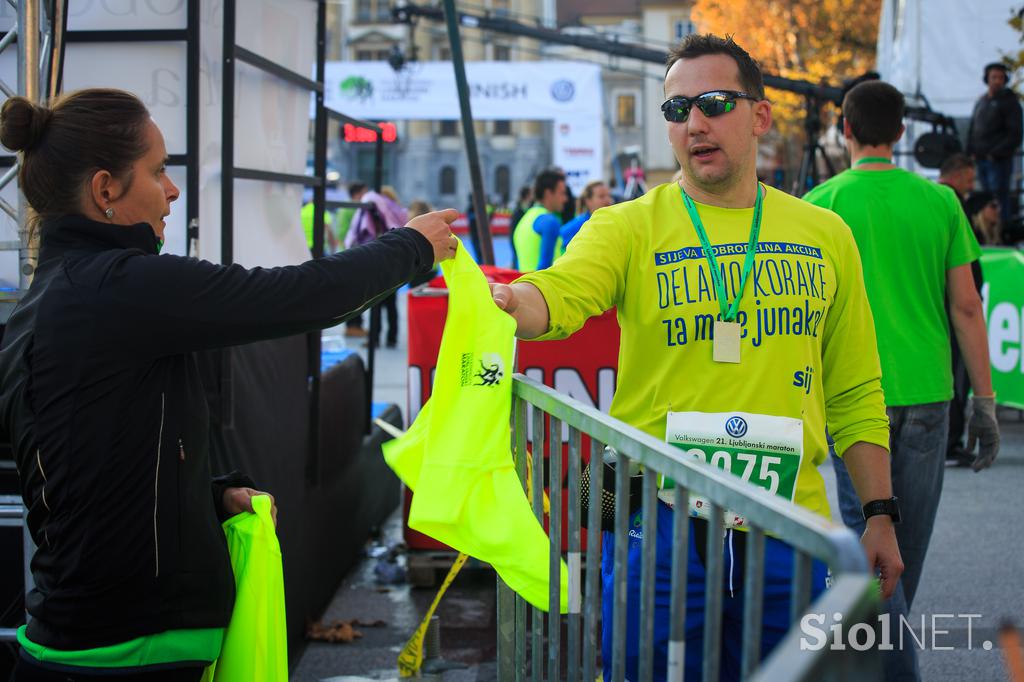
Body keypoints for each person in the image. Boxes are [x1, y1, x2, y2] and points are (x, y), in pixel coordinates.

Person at [0, 88, 457, 681]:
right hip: (129, 651)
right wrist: (411, 245)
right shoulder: (120, 287)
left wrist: (206, 498)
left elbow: (89, 464)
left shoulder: (50, 303)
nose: (172, 191)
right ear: (105, 189)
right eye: (158, 171)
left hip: (90, 639)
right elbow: (298, 294)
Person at [491, 34, 901, 681]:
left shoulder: (824, 234)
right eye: (678, 110)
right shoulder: (627, 227)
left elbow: (853, 390)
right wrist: (513, 301)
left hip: (787, 520)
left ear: (760, 116)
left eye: (714, 102)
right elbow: (560, 294)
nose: (695, 124)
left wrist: (879, 514)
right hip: (656, 518)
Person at [805, 80, 999, 682]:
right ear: (900, 133)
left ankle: (878, 667)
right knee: (904, 552)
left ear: (846, 129)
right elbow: (967, 308)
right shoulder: (941, 203)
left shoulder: (821, 203)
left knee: (871, 546)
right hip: (927, 395)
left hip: (850, 397)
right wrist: (986, 403)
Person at [967, 62, 1023, 227]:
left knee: (998, 198)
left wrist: (996, 153)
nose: (997, 81)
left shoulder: (1009, 102)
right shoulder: (982, 101)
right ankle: (987, 231)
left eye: (1000, 77)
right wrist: (969, 151)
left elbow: (1015, 133)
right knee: (985, 198)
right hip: (980, 158)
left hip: (998, 160)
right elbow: (973, 128)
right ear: (987, 79)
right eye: (994, 77)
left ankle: (1003, 230)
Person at [511, 169, 566, 272]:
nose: (565, 199)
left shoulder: (525, 219)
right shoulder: (550, 221)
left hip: (523, 283)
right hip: (544, 286)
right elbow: (543, 270)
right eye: (562, 193)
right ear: (548, 193)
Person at [559, 179, 613, 247]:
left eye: (609, 195)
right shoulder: (578, 226)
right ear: (588, 201)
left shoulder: (615, 223)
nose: (608, 200)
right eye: (601, 196)